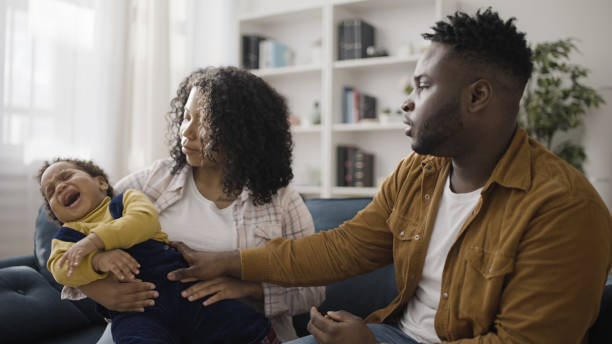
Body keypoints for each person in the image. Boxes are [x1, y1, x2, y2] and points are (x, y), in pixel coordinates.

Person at [164, 9, 612, 344]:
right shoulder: (421, 172)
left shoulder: (564, 208)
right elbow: (342, 249)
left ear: (477, 96)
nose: (407, 102)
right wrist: (229, 261)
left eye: (422, 86)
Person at [60, 66, 325, 343]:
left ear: (242, 132)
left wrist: (245, 289)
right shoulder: (153, 181)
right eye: (186, 117)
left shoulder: (281, 199)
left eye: (205, 123)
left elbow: (313, 288)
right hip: (145, 324)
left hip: (236, 331)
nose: (187, 132)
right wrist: (96, 288)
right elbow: (74, 234)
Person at [39, 158, 277, 344]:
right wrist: (98, 261)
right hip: (135, 313)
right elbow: (60, 269)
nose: (59, 187)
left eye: (66, 176)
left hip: (183, 291)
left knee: (236, 321)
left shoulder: (125, 201)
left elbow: (144, 221)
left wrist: (96, 242)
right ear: (56, 215)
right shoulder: (67, 236)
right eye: (50, 192)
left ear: (101, 182)